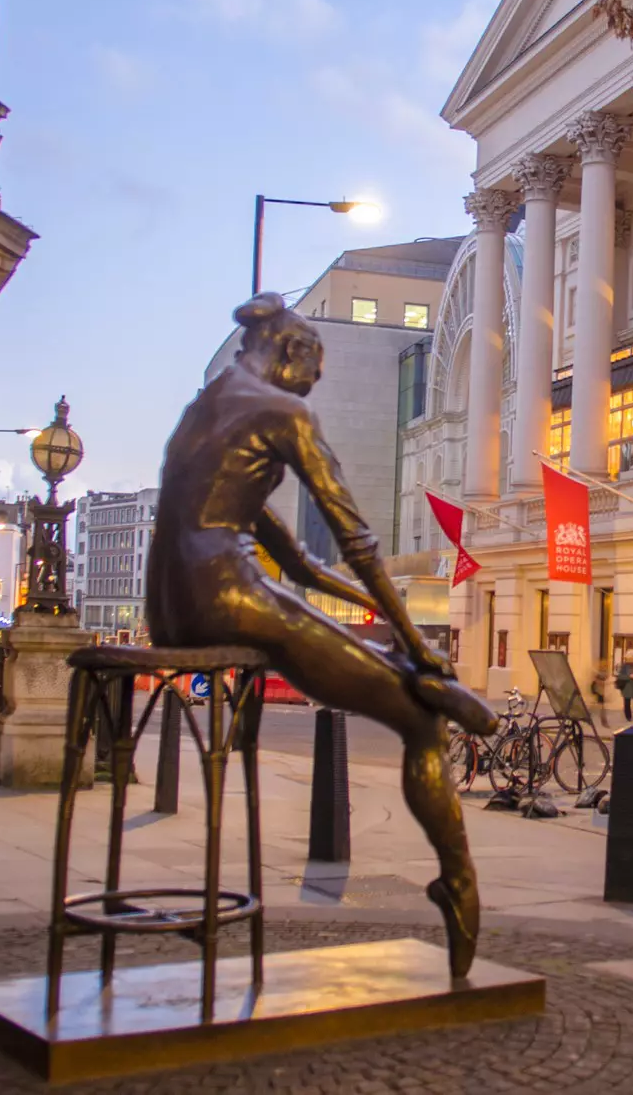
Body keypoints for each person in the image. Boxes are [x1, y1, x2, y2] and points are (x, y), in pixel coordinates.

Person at [146, 294, 499, 976]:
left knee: (380, 660)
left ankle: (422, 676)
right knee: (421, 725)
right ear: (289, 352)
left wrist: (394, 629)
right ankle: (457, 883)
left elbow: (306, 566)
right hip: (228, 595)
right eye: (314, 369)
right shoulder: (285, 413)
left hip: (178, 602)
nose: (315, 385)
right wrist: (418, 641)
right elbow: (356, 540)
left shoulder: (209, 407)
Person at [615, 649, 633, 722]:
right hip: (626, 688)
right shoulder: (624, 666)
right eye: (631, 657)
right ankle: (628, 717)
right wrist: (629, 676)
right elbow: (620, 677)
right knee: (627, 703)